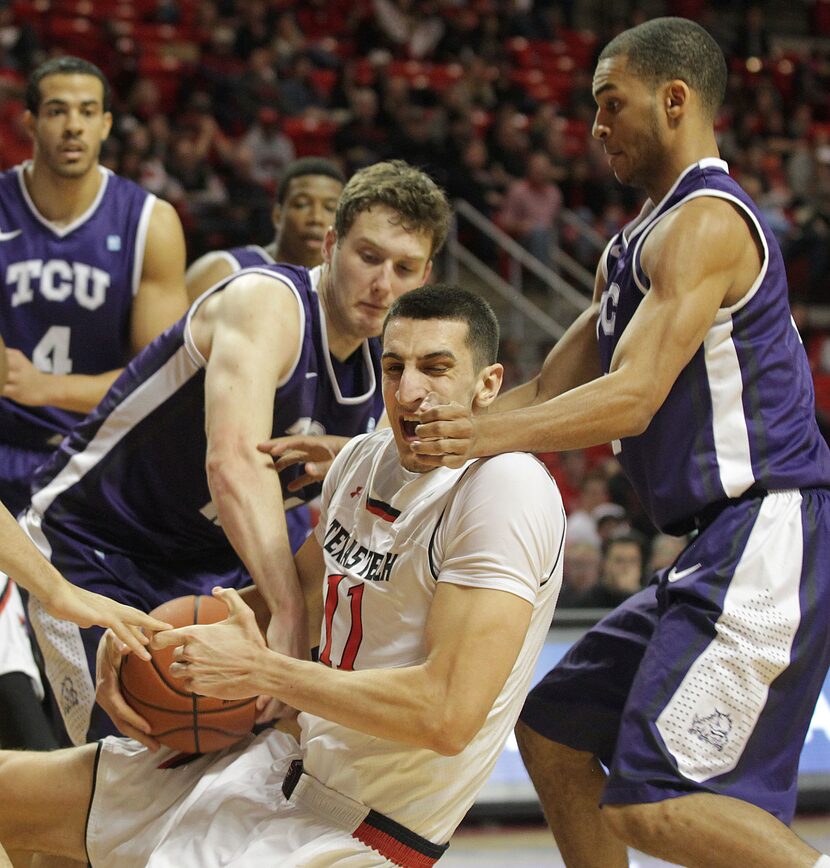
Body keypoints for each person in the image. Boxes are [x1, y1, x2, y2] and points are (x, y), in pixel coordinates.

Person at [410, 18, 830, 868]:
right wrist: (384, 450)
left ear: (675, 101)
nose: (595, 127)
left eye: (612, 104)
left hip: (769, 530)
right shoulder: (630, 247)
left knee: (659, 800)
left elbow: (632, 399)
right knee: (556, 731)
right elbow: (538, 394)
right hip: (712, 544)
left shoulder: (707, 224)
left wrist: (474, 433)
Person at [0, 284, 564, 868]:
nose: (410, 391)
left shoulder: (504, 489)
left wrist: (267, 671)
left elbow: (446, 715)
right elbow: (288, 599)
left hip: (364, 830)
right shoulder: (365, 460)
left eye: (436, 368)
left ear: (488, 384)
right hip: (276, 766)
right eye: (394, 368)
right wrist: (145, 640)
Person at [16, 159, 450, 747]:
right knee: (115, 760)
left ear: (424, 276)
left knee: (210, 767)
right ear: (330, 245)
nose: (382, 285)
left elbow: (369, 508)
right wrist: (289, 611)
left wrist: (352, 456)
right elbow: (232, 462)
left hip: (204, 570)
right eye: (368, 257)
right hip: (94, 542)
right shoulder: (268, 300)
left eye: (403, 268)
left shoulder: (392, 365)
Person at [0, 55, 188, 751]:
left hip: (93, 466)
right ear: (29, 122)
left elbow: (153, 385)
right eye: (56, 110)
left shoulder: (149, 222)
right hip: (2, 452)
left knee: (88, 683)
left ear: (107, 124)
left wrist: (43, 388)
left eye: (86, 111)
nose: (72, 125)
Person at [185, 157, 347, 554]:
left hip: (281, 483)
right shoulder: (226, 269)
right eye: (302, 203)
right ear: (277, 213)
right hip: (198, 462)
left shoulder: (347, 303)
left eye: (329, 208)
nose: (315, 217)